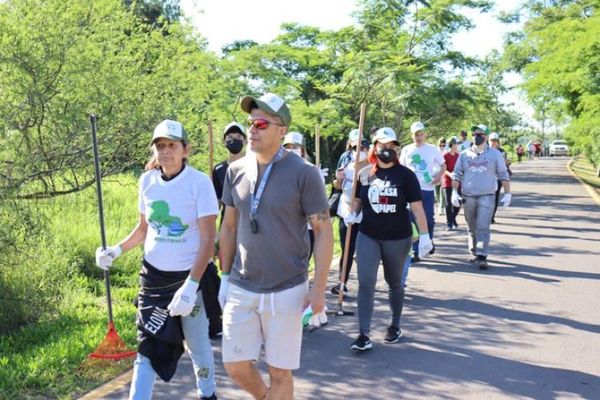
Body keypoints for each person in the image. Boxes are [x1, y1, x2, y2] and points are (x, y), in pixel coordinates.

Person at [218, 92, 333, 400]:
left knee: (280, 372)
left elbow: (323, 230)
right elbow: (228, 227)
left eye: (261, 123)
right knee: (235, 364)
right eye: (249, 123)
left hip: (287, 288)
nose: (252, 130)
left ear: (282, 130)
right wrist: (225, 278)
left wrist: (319, 288)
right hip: (242, 286)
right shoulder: (235, 170)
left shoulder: (304, 173)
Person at [95, 119, 219, 400]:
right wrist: (115, 250)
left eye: (172, 145)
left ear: (186, 149)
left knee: (198, 345)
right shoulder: (147, 181)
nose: (166, 151)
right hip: (153, 280)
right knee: (147, 346)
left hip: (190, 279)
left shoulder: (199, 183)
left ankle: (208, 393)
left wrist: (191, 286)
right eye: (160, 146)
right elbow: (143, 230)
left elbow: (207, 241)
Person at [344, 127, 432, 351]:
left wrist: (424, 236)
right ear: (374, 147)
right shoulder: (364, 173)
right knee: (365, 283)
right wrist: (352, 213)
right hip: (368, 235)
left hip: (398, 237)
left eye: (392, 146)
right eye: (383, 145)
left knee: (394, 283)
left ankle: (394, 325)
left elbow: (417, 207)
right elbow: (358, 200)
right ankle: (363, 333)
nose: (388, 149)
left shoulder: (406, 175)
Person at [451, 124, 511, 270]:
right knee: (471, 227)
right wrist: (454, 191)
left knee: (482, 226)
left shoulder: (495, 155)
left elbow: (503, 174)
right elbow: (457, 173)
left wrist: (507, 193)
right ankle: (474, 252)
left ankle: (482, 256)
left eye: (480, 134)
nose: (477, 137)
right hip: (469, 195)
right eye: (475, 134)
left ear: (486, 137)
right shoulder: (465, 155)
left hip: (487, 196)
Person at [209, 122, 247, 339]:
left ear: (244, 140)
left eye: (237, 136)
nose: (234, 139)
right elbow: (215, 204)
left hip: (251, 230)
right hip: (228, 229)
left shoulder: (255, 165)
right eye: (230, 136)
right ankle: (230, 317)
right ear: (224, 141)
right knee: (227, 271)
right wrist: (213, 233)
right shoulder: (219, 170)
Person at [399, 121, 446, 262]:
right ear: (411, 135)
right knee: (412, 220)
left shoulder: (432, 149)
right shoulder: (407, 150)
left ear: (424, 134)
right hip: (410, 190)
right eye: (416, 134)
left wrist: (438, 176)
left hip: (427, 189)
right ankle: (416, 250)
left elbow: (443, 165)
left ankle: (428, 240)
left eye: (421, 134)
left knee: (429, 219)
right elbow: (401, 167)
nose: (419, 137)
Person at [331, 133, 370, 295]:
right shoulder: (347, 165)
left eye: (362, 148)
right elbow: (338, 187)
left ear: (368, 149)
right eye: (355, 148)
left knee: (365, 251)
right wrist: (338, 180)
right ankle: (342, 283)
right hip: (346, 212)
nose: (358, 151)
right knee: (346, 249)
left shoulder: (372, 167)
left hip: (364, 215)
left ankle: (366, 285)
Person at [489, 132, 511, 224]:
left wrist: (507, 162)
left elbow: (506, 166)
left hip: (498, 178)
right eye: (492, 140)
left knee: (495, 196)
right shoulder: (485, 150)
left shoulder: (501, 152)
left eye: (495, 140)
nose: (493, 142)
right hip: (488, 177)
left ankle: (491, 216)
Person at [442, 136, 461, 230]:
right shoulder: (445, 155)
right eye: (457, 144)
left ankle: (453, 219)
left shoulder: (459, 156)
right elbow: (444, 169)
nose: (457, 145)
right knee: (448, 204)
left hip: (457, 183)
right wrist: (450, 174)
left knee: (458, 203)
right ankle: (449, 223)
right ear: (453, 144)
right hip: (447, 183)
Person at [435, 137, 447, 216]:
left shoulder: (446, 152)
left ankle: (441, 207)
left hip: (443, 173)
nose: (442, 146)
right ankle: (439, 203)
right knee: (436, 192)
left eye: (443, 145)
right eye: (440, 145)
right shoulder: (435, 151)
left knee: (442, 191)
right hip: (435, 173)